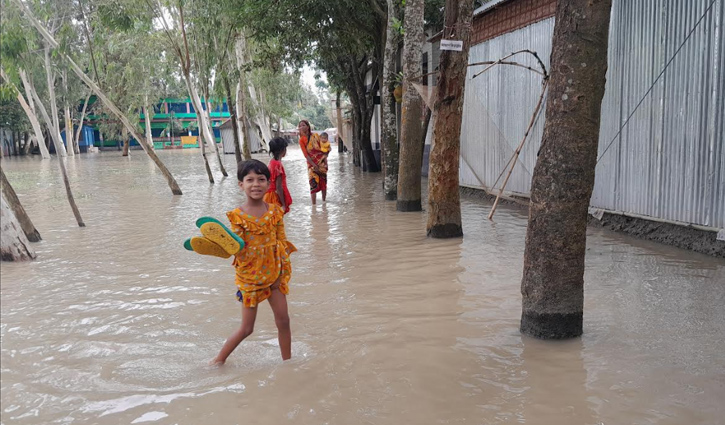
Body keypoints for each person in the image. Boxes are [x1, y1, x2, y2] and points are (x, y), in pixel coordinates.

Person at [210, 159, 297, 365]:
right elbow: (237, 249)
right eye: (250, 180)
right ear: (241, 185)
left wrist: (280, 276)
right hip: (250, 279)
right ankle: (217, 361)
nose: (256, 184)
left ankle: (288, 364)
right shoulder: (237, 216)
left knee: (284, 321)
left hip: (275, 275)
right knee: (247, 329)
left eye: (261, 179)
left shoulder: (276, 212)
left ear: (268, 184)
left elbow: (281, 244)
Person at [298, 120, 331, 204]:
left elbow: (323, 147)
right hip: (311, 165)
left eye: (303, 125)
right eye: (300, 126)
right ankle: (314, 206)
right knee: (313, 185)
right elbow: (306, 155)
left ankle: (324, 203)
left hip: (321, 163)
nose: (301, 127)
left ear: (308, 126)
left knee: (323, 184)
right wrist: (313, 165)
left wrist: (326, 154)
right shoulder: (301, 140)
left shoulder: (316, 136)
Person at [263, 137, 293, 214]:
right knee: (276, 221)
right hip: (274, 196)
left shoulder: (272, 162)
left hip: (267, 195)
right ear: (283, 150)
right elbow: (279, 187)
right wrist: (283, 204)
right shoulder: (278, 165)